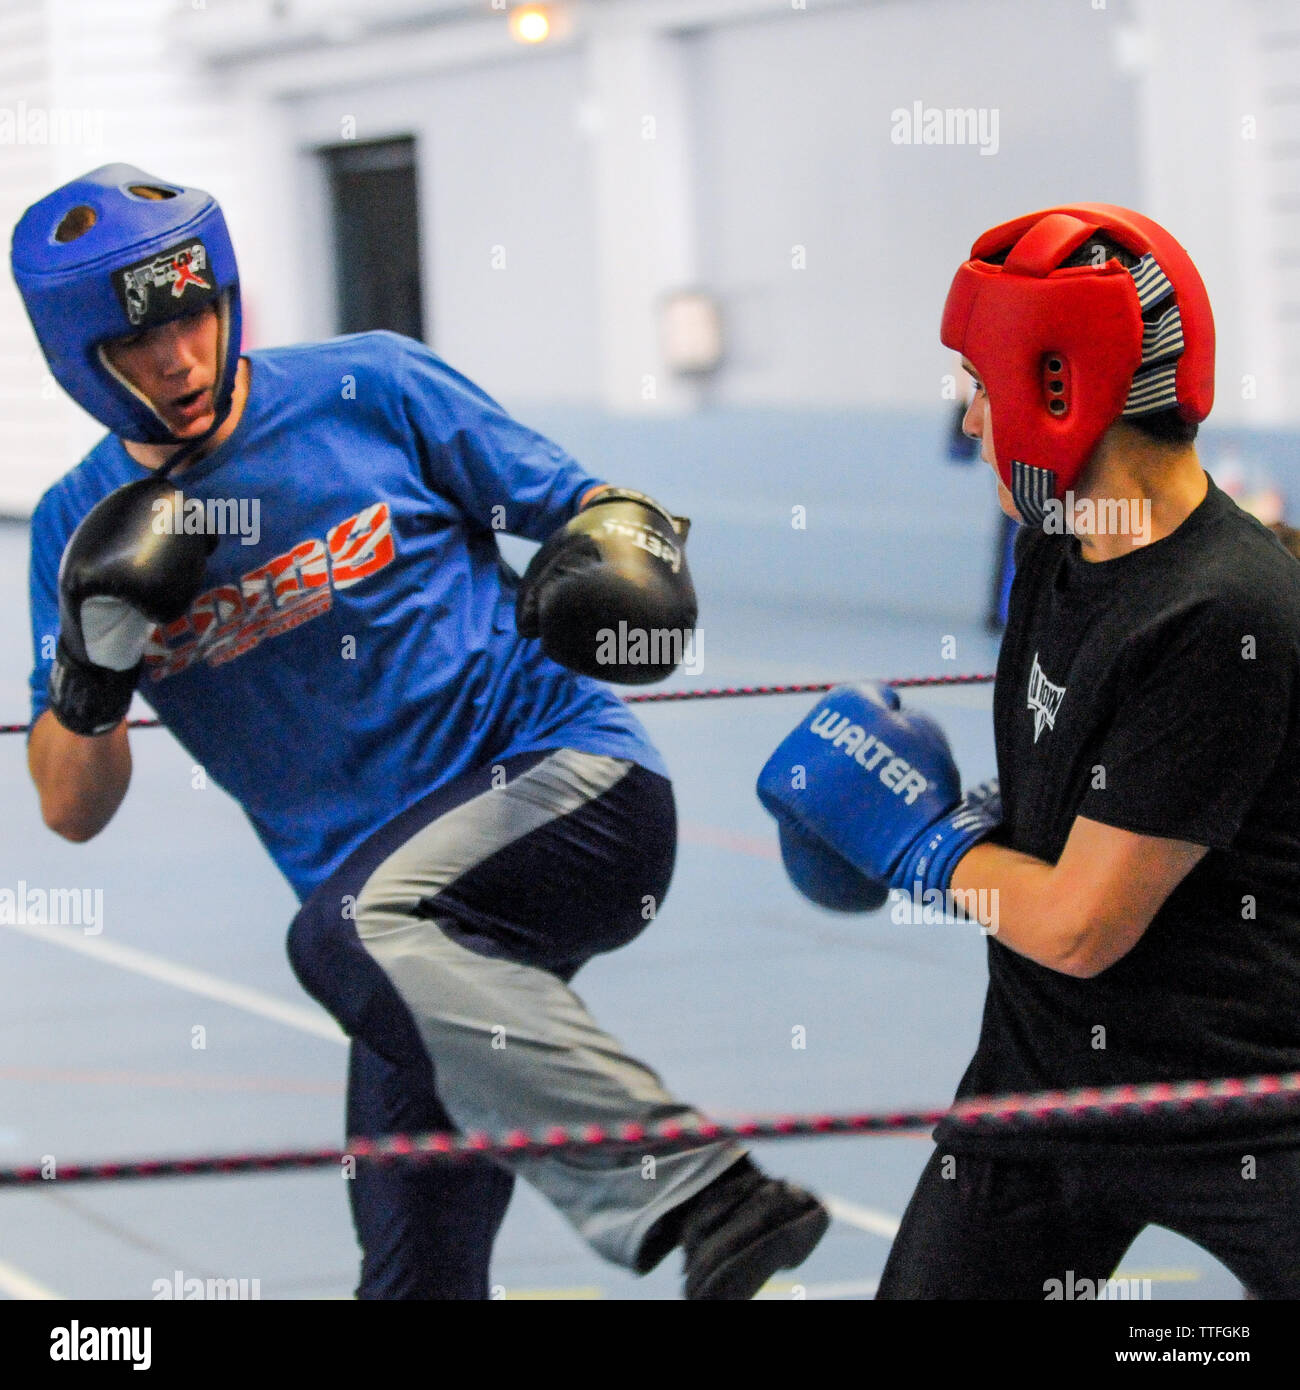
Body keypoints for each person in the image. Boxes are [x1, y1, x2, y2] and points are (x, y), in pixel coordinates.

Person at [12, 163, 829, 1300]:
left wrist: (627, 561)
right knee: (413, 1273)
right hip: (411, 938)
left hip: (564, 783)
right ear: (76, 360)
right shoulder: (71, 527)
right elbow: (68, 805)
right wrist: (92, 670)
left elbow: (596, 507)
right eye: (139, 344)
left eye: (194, 315)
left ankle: (697, 1187)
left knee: (340, 932)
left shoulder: (373, 386)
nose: (182, 358)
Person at [757, 203, 1300, 1298]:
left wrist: (919, 841)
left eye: (982, 386)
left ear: (1062, 392)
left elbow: (1079, 922)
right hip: (1043, 1077)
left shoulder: (1219, 613)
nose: (969, 423)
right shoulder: (1055, 548)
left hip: (1241, 1100)